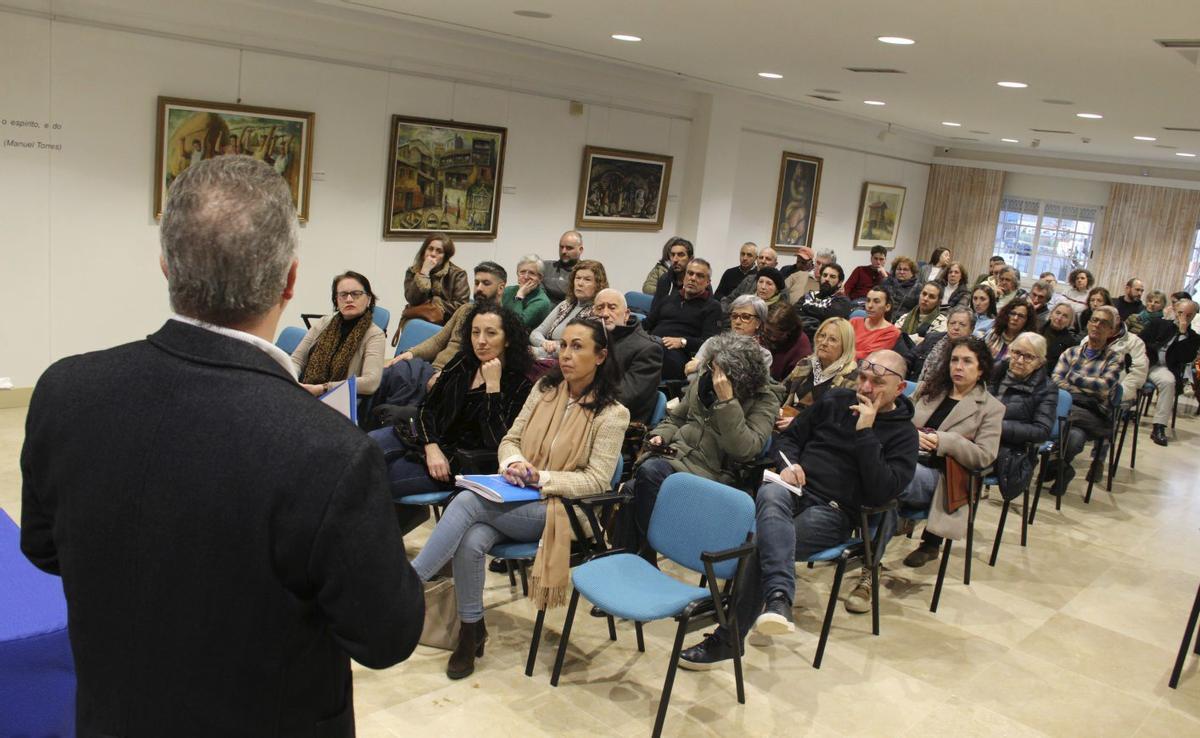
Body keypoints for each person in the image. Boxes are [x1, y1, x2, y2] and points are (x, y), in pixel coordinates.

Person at [20, 156, 423, 737]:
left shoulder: (65, 390)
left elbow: (44, 548)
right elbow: (387, 637)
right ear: (290, 281)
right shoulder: (329, 449)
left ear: (165, 265)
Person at [409, 318, 629, 679]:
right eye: (563, 344)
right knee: (472, 538)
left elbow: (595, 482)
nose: (566, 354)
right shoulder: (545, 388)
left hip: (566, 511)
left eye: (578, 347)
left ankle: (410, 583)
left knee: (467, 502)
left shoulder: (613, 414)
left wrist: (538, 477)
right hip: (517, 495)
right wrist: (514, 462)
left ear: (601, 356)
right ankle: (470, 630)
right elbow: (510, 439)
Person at [677, 350, 918, 667]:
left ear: (899, 389)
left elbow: (882, 491)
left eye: (878, 382)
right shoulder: (835, 401)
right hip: (795, 488)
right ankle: (777, 600)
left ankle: (731, 635)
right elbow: (789, 439)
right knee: (772, 490)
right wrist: (790, 465)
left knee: (759, 544)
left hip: (835, 510)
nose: (866, 387)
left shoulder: (904, 435)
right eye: (862, 377)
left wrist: (866, 432)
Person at [369, 304, 534, 535]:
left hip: (461, 462)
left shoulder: (520, 385)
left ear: (507, 340)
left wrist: (493, 388)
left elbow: (496, 441)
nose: (481, 341)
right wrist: (431, 445)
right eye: (476, 332)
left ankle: (385, 542)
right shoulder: (462, 362)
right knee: (364, 451)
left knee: (376, 480)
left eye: (491, 333)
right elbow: (426, 407)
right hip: (428, 442)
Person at [630, 334, 779, 560]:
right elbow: (676, 419)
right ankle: (641, 559)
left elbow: (745, 449)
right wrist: (660, 436)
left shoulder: (764, 400)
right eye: (711, 365)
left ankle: (642, 558)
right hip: (677, 457)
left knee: (644, 478)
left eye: (718, 370)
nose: (711, 373)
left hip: (715, 472)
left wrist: (728, 402)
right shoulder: (704, 379)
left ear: (739, 375)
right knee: (633, 489)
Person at [899, 336, 1004, 567]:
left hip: (943, 476)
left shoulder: (991, 408)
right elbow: (899, 418)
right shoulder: (929, 388)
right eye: (954, 360)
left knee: (894, 474)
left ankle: (877, 544)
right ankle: (871, 539)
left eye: (967, 361)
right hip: (907, 456)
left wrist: (944, 441)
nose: (958, 366)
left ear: (981, 369)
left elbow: (985, 456)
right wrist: (911, 433)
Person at [377, 262, 508, 409]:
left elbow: (487, 361)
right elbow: (438, 341)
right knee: (387, 375)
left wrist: (447, 376)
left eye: (486, 283)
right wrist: (410, 353)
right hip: (430, 370)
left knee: (392, 390)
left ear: (501, 287)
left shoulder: (503, 322)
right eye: (476, 282)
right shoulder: (465, 310)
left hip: (453, 381)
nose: (479, 288)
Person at [1048, 306, 1123, 496]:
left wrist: (1071, 378)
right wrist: (1083, 389)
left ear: (1112, 331)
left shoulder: (1115, 359)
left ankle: (1054, 465)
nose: (1097, 325)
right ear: (1088, 324)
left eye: (1104, 323)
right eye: (1094, 320)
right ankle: (1062, 469)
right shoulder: (1071, 352)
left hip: (1092, 413)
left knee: (1072, 437)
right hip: (1066, 408)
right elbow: (1056, 380)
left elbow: (1104, 386)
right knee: (1067, 433)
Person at [291, 270, 386, 398]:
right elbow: (296, 360)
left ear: (368, 299)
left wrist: (323, 388)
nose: (349, 299)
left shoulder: (374, 334)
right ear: (336, 300)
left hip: (341, 399)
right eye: (343, 294)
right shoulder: (323, 323)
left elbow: (370, 382)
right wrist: (290, 379)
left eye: (356, 294)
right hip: (307, 392)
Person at [986, 333, 1057, 502]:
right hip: (979, 438)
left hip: (1009, 450)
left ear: (1040, 362)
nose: (1019, 360)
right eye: (1017, 353)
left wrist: (997, 427)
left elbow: (1041, 431)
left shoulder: (1047, 389)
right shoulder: (996, 372)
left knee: (957, 463)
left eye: (1028, 357)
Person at [592, 288, 664, 424]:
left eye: (612, 308)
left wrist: (582, 401)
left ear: (626, 314)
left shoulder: (648, 349)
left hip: (617, 423)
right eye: (600, 308)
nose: (605, 314)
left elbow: (623, 398)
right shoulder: (591, 340)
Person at [643, 258, 722, 380]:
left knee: (654, 352)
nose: (693, 278)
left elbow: (710, 343)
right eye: (690, 273)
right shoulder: (668, 299)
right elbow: (647, 323)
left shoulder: (712, 307)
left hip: (680, 354)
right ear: (685, 276)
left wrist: (683, 342)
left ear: (707, 282)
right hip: (653, 344)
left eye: (700, 276)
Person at [777, 317, 858, 429]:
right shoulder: (806, 364)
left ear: (845, 346)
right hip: (783, 421)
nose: (824, 343)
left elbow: (838, 422)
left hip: (814, 435)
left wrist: (800, 422)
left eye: (832, 339)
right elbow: (780, 391)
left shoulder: (851, 379)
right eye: (822, 335)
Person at [1141, 300, 1200, 446]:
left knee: (1169, 382)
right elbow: (1140, 341)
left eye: (1188, 315)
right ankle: (1115, 413)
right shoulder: (1158, 324)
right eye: (1180, 313)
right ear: (1174, 310)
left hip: (1163, 368)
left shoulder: (1193, 338)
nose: (1183, 317)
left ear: (1194, 316)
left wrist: (1182, 333)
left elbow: (1184, 357)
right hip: (1144, 363)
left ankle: (1159, 427)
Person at [530, 259, 606, 359]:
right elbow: (536, 333)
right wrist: (544, 343)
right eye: (578, 278)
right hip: (544, 355)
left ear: (598, 285)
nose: (580, 283)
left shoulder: (598, 312)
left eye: (587, 279)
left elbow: (577, 349)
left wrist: (537, 351)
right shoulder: (565, 304)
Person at [686, 295, 773, 381]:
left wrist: (701, 365)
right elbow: (690, 374)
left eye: (745, 317)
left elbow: (749, 386)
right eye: (734, 316)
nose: (737, 322)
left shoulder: (763, 355)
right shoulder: (712, 343)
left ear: (758, 323)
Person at [402, 232, 470, 326]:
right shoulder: (413, 271)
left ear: (445, 256)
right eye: (430, 249)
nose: (433, 254)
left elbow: (462, 307)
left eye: (439, 251)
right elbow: (412, 300)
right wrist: (424, 273)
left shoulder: (458, 274)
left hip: (446, 325)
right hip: (418, 322)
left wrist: (437, 304)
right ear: (424, 251)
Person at [908, 306, 975, 382]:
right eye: (952, 323)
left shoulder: (975, 350)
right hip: (917, 385)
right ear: (947, 324)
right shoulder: (932, 338)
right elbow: (909, 359)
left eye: (962, 324)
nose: (956, 327)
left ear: (971, 329)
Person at [795, 262, 853, 336]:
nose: (827, 279)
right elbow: (794, 313)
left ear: (840, 283)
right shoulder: (808, 295)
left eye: (832, 276)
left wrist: (805, 307)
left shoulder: (843, 301)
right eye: (824, 275)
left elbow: (828, 316)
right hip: (799, 334)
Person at [763, 302, 813, 380]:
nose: (772, 338)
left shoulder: (801, 350)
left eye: (779, 335)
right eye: (768, 331)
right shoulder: (757, 329)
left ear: (790, 330)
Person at [501, 254, 553, 329]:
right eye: (522, 272)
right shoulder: (507, 291)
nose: (526, 277)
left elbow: (516, 325)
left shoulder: (542, 301)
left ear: (540, 278)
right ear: (517, 274)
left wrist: (519, 296)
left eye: (532, 273)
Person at [850, 286, 901, 359]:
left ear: (887, 307)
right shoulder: (854, 321)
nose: (870, 305)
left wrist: (843, 353)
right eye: (868, 300)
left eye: (876, 301)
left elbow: (869, 356)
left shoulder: (892, 332)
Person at [984, 297, 1033, 362]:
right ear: (1006, 314)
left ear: (1027, 321)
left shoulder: (1027, 343)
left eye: (1021, 316)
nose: (1015, 318)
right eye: (1012, 313)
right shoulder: (993, 334)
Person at [542, 230, 584, 304]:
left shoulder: (586, 272)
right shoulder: (545, 267)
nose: (563, 251)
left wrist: (547, 283)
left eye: (569, 248)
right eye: (561, 247)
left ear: (580, 250)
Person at [1041, 302, 1080, 371]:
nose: (1059, 318)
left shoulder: (1071, 344)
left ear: (1070, 322)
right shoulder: (1037, 328)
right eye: (1058, 313)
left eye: (1065, 316)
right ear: (1051, 314)